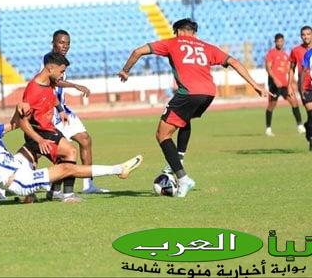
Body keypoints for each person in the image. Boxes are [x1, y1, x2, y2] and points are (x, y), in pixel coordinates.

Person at [118, 18, 269, 198]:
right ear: (194, 33)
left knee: (162, 135)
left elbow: (138, 51)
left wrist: (125, 70)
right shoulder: (207, 47)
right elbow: (234, 62)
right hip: (208, 94)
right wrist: (255, 84)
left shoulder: (172, 43)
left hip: (188, 93)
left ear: (179, 31)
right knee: (184, 121)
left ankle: (183, 179)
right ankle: (177, 160)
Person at [0, 106, 142, 200]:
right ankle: (119, 169)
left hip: (17, 164)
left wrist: (20, 108)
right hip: (19, 180)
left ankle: (9, 186)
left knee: (35, 145)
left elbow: (16, 124)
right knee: (66, 168)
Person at [45, 29, 109, 194]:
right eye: (61, 42)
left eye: (67, 43)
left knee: (85, 140)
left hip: (64, 110)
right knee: (57, 151)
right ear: (53, 43)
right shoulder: (48, 61)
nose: (65, 46)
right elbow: (55, 83)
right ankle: (47, 184)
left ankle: (88, 185)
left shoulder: (62, 61)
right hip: (52, 112)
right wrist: (75, 86)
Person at [18, 52, 84, 202]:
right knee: (70, 151)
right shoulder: (33, 90)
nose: (62, 75)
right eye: (61, 71)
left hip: (49, 129)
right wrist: (39, 140)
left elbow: (52, 97)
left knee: (64, 156)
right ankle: (67, 195)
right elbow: (23, 122)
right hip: (39, 132)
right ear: (50, 68)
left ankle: (54, 192)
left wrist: (61, 111)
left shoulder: (48, 82)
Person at [264, 33, 305, 136]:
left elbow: (289, 70)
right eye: (278, 41)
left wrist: (292, 82)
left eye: (281, 41)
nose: (280, 43)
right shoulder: (271, 53)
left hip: (284, 84)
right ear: (275, 42)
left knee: (294, 101)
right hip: (274, 84)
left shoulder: (286, 55)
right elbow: (268, 68)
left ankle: (300, 126)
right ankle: (268, 128)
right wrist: (275, 79)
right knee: (271, 105)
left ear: (283, 42)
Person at [288, 25, 312, 129]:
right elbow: (291, 68)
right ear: (300, 36)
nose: (306, 36)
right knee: (311, 113)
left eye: (308, 34)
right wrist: (289, 85)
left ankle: (308, 131)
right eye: (303, 35)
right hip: (305, 87)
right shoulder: (296, 50)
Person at [299, 47, 312, 151]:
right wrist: (301, 87)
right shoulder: (308, 54)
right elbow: (304, 70)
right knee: (311, 113)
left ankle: (308, 127)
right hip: (308, 88)